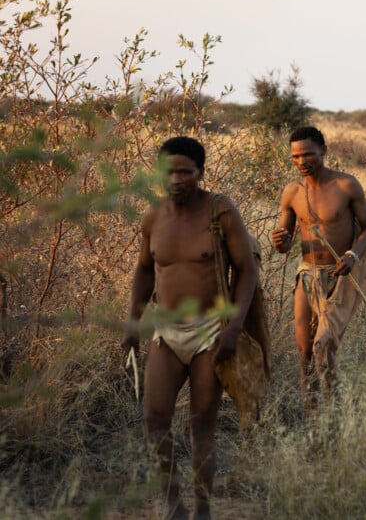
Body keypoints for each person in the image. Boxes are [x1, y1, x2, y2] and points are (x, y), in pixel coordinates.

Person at [122, 136, 257, 519]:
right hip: (166, 331)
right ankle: (172, 505)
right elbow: (145, 270)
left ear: (201, 173)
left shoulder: (221, 212)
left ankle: (201, 510)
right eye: (170, 171)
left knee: (201, 427)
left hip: (210, 332)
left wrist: (233, 328)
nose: (177, 178)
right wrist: (132, 324)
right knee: (155, 419)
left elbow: (246, 271)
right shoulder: (153, 216)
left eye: (186, 171)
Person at [271, 126, 366, 411]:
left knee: (323, 349)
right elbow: (284, 242)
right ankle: (314, 419)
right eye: (295, 157)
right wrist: (279, 240)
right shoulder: (292, 192)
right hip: (306, 275)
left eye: (308, 154)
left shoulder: (346, 185)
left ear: (324, 151)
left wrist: (353, 254)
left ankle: (334, 413)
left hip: (339, 276)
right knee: (305, 352)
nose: (302, 162)